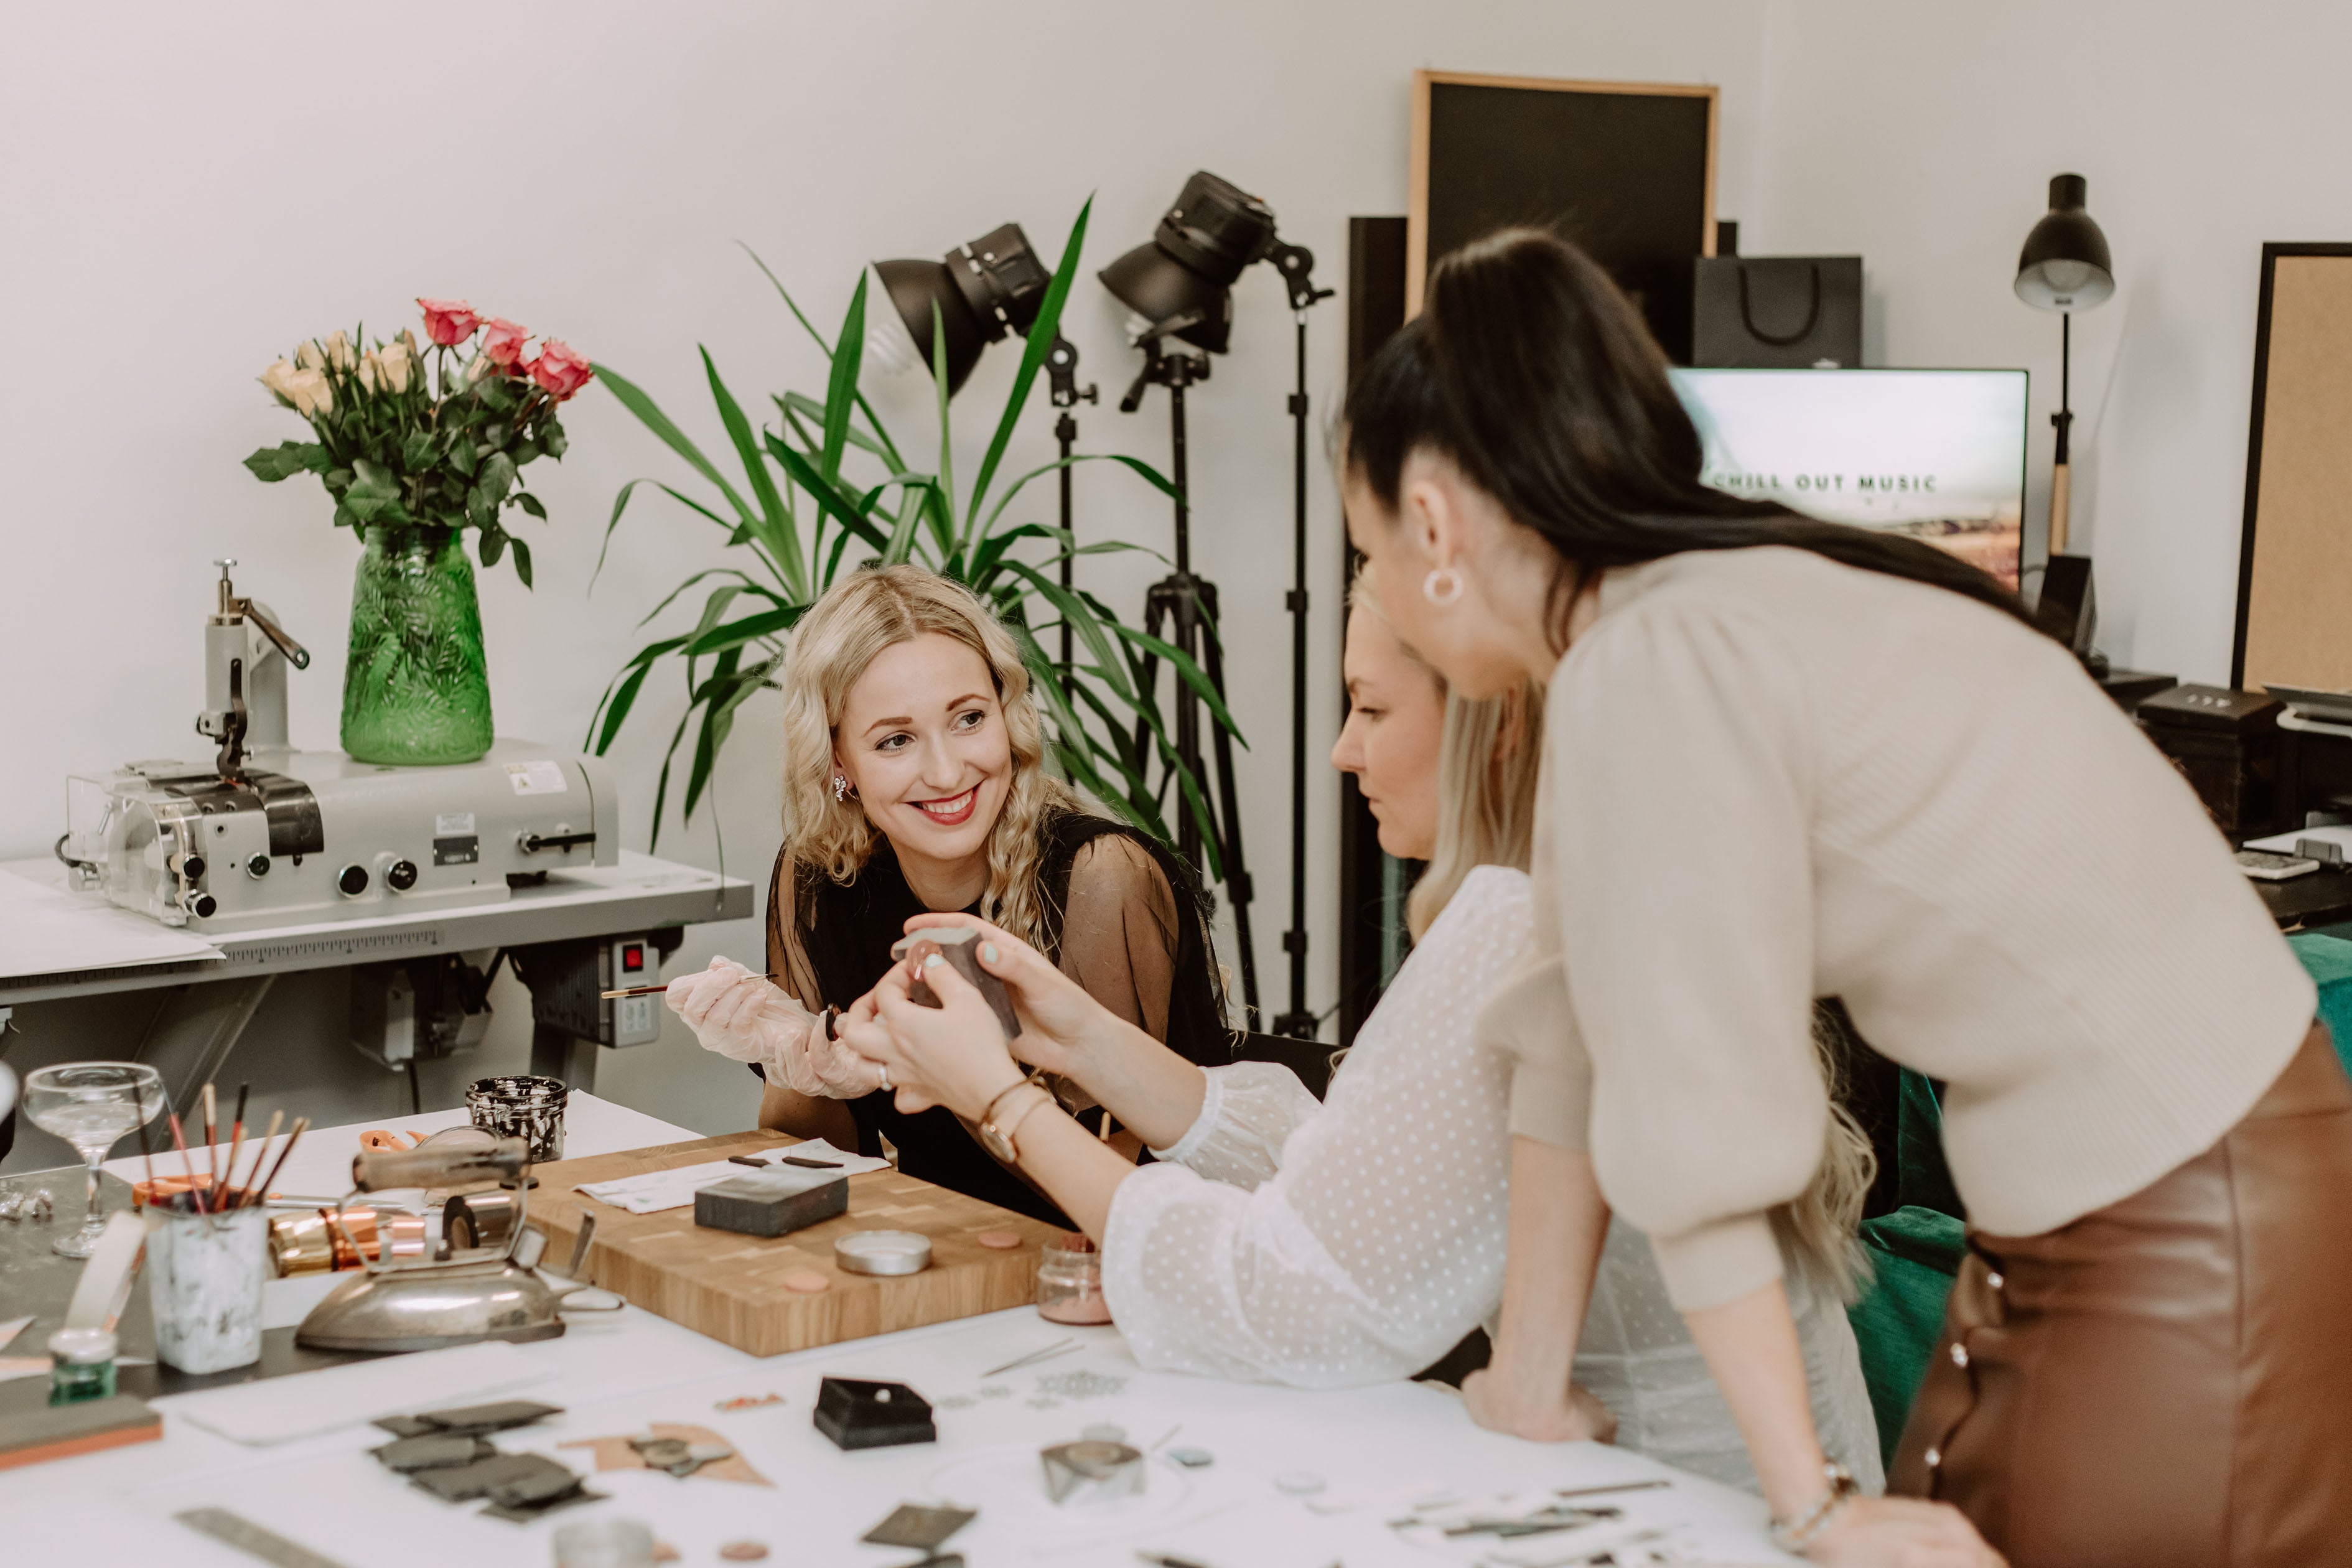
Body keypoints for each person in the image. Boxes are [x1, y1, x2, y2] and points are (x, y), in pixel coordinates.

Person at [1338, 226, 2352, 1568]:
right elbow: (1576, 1035)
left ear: (1434, 525)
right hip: (2136, 1195)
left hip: (2181, 1214)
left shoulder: (1655, 657)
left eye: (1375, 554)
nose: (1388, 603)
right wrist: (1530, 1383)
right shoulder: (1661, 627)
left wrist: (1811, 1505)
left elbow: (1699, 1140)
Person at [836, 580, 1882, 1493]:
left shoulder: (1519, 933)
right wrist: (1086, 1041)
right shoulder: (1570, 889)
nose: (1342, 749)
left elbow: (1290, 1298)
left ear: (1496, 722)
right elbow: (1348, 1177)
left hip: (1681, 1503)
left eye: (1371, 707)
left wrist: (1003, 1105)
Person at [663, 564, 1226, 1223]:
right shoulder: (819, 877)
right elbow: (816, 1159)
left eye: (968, 719)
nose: (946, 771)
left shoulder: (1102, 879)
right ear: (837, 760)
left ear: (1008, 715)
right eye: (896, 740)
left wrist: (920, 1066)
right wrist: (792, 1060)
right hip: (950, 1258)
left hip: (1134, 1275)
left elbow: (1101, 1197)